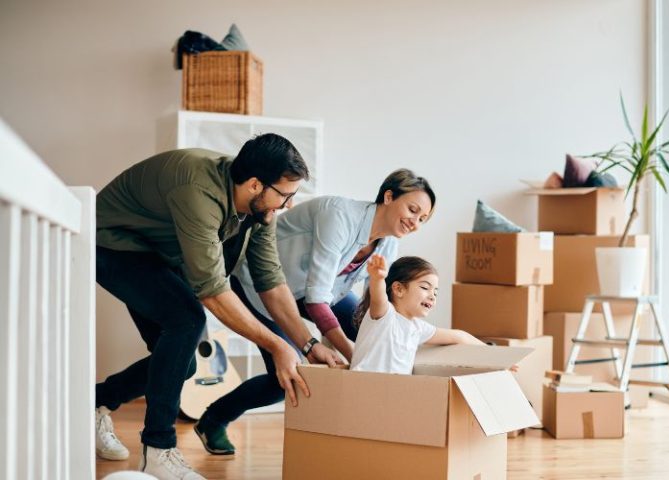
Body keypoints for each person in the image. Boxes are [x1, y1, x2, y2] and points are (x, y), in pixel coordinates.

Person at [93, 134, 340, 480]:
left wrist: (308, 344)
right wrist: (276, 344)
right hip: (112, 241)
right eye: (285, 194)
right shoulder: (199, 190)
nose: (287, 205)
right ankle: (158, 450)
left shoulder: (258, 211)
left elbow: (271, 280)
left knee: (185, 362)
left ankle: (95, 402)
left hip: (157, 252)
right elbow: (211, 289)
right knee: (185, 321)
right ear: (255, 184)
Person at [194, 169, 435, 455]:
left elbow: (378, 307)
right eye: (413, 209)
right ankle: (213, 420)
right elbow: (317, 298)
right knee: (284, 376)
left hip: (316, 293)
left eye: (423, 219)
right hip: (262, 285)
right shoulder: (339, 215)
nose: (415, 222)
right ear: (389, 196)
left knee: (375, 334)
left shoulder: (389, 243)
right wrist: (352, 353)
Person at [350, 255, 485, 374]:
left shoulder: (418, 328)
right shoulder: (385, 314)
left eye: (435, 292)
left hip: (392, 394)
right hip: (363, 387)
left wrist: (496, 354)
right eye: (425, 288)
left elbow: (460, 336)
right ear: (398, 289)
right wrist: (378, 278)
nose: (432, 296)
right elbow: (378, 297)